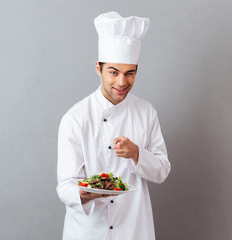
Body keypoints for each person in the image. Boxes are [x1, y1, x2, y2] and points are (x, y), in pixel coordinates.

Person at [57, 11, 171, 240]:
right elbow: (65, 186)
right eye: (114, 72)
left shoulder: (146, 112)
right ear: (98, 68)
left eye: (130, 73)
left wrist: (137, 153)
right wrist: (85, 192)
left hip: (133, 229)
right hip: (88, 231)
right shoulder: (76, 118)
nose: (122, 82)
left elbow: (162, 171)